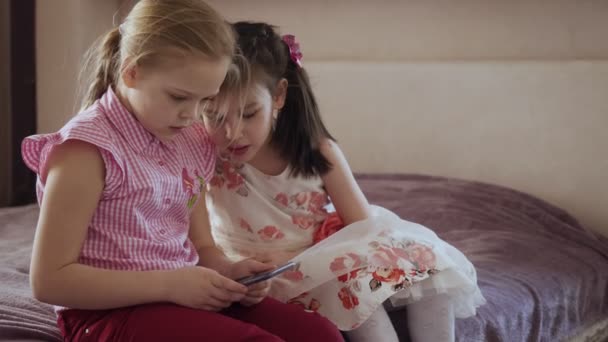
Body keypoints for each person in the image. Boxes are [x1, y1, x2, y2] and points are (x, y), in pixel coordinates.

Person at [21, 2, 343, 341]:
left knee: (320, 333)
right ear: (132, 71)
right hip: (106, 314)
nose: (191, 116)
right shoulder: (86, 152)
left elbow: (202, 245)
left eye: (205, 101)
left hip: (178, 294)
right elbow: (48, 281)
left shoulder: (188, 141)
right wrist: (170, 284)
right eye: (179, 97)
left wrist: (228, 273)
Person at [203, 21, 486, 342]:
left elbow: (364, 230)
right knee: (355, 300)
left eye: (249, 113)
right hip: (258, 271)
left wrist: (299, 258)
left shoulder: (318, 152)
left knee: (431, 271)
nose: (232, 132)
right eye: (215, 116)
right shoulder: (207, 154)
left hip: (317, 257)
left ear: (279, 96)